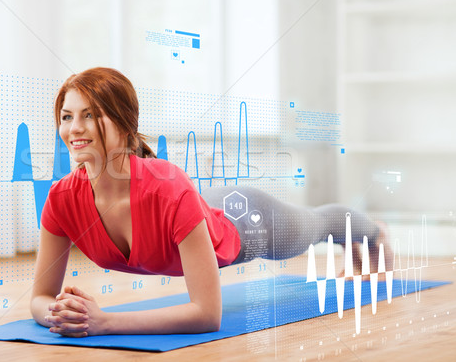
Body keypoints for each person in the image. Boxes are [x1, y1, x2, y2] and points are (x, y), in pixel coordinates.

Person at [30, 67, 392, 338]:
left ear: (125, 124)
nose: (74, 128)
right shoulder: (62, 200)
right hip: (197, 209)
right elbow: (40, 298)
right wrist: (62, 313)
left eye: (89, 114)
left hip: (247, 222)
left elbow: (207, 315)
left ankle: (374, 235)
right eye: (66, 117)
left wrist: (104, 322)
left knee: (317, 224)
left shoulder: (167, 187)